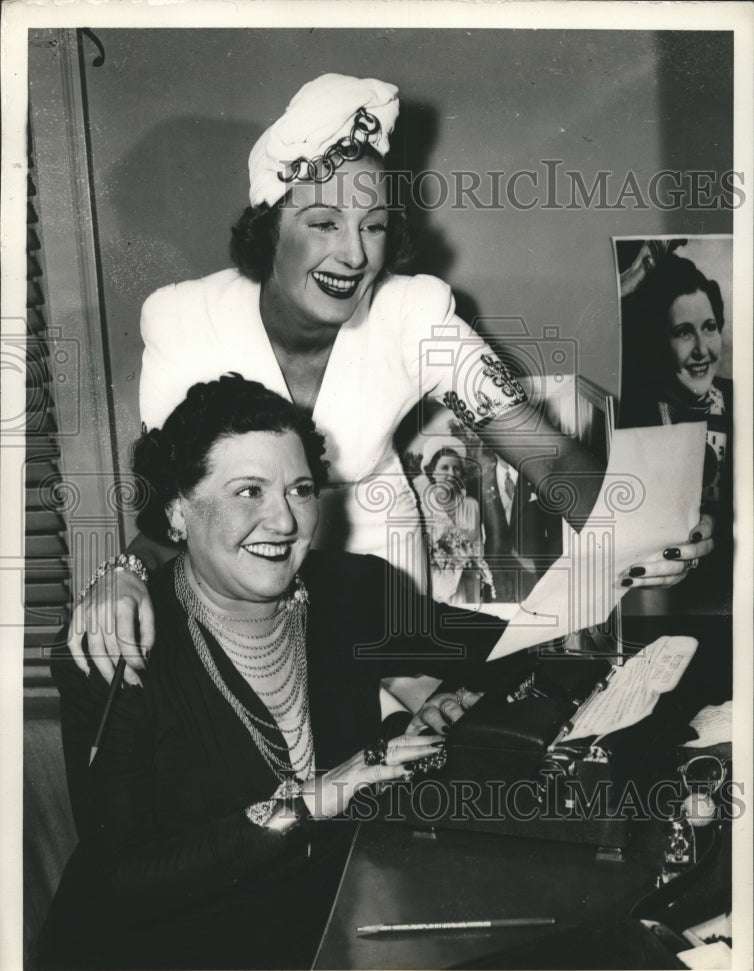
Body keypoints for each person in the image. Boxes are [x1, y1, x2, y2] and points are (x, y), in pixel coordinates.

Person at [69, 73, 712, 685]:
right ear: (268, 230)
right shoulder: (184, 319)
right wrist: (121, 571)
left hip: (377, 565)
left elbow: (548, 457)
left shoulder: (413, 312)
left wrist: (646, 530)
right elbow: (167, 507)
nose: (354, 255)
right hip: (238, 577)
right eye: (324, 224)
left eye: (372, 226)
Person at [39, 376, 526, 971]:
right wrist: (315, 799)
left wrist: (452, 700)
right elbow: (123, 881)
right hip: (164, 960)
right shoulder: (117, 647)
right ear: (177, 510)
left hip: (323, 928)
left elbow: (518, 645)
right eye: (249, 491)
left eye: (300, 490)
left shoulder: (350, 593)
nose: (284, 520)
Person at [618, 251, 731, 608]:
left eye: (709, 327)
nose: (702, 349)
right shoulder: (632, 411)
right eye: (683, 332)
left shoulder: (741, 402)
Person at [415, 436, 492, 605]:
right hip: (435, 586)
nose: (451, 474)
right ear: (432, 472)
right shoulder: (421, 508)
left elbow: (478, 545)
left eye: (456, 468)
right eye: (444, 468)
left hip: (468, 583)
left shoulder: (472, 506)